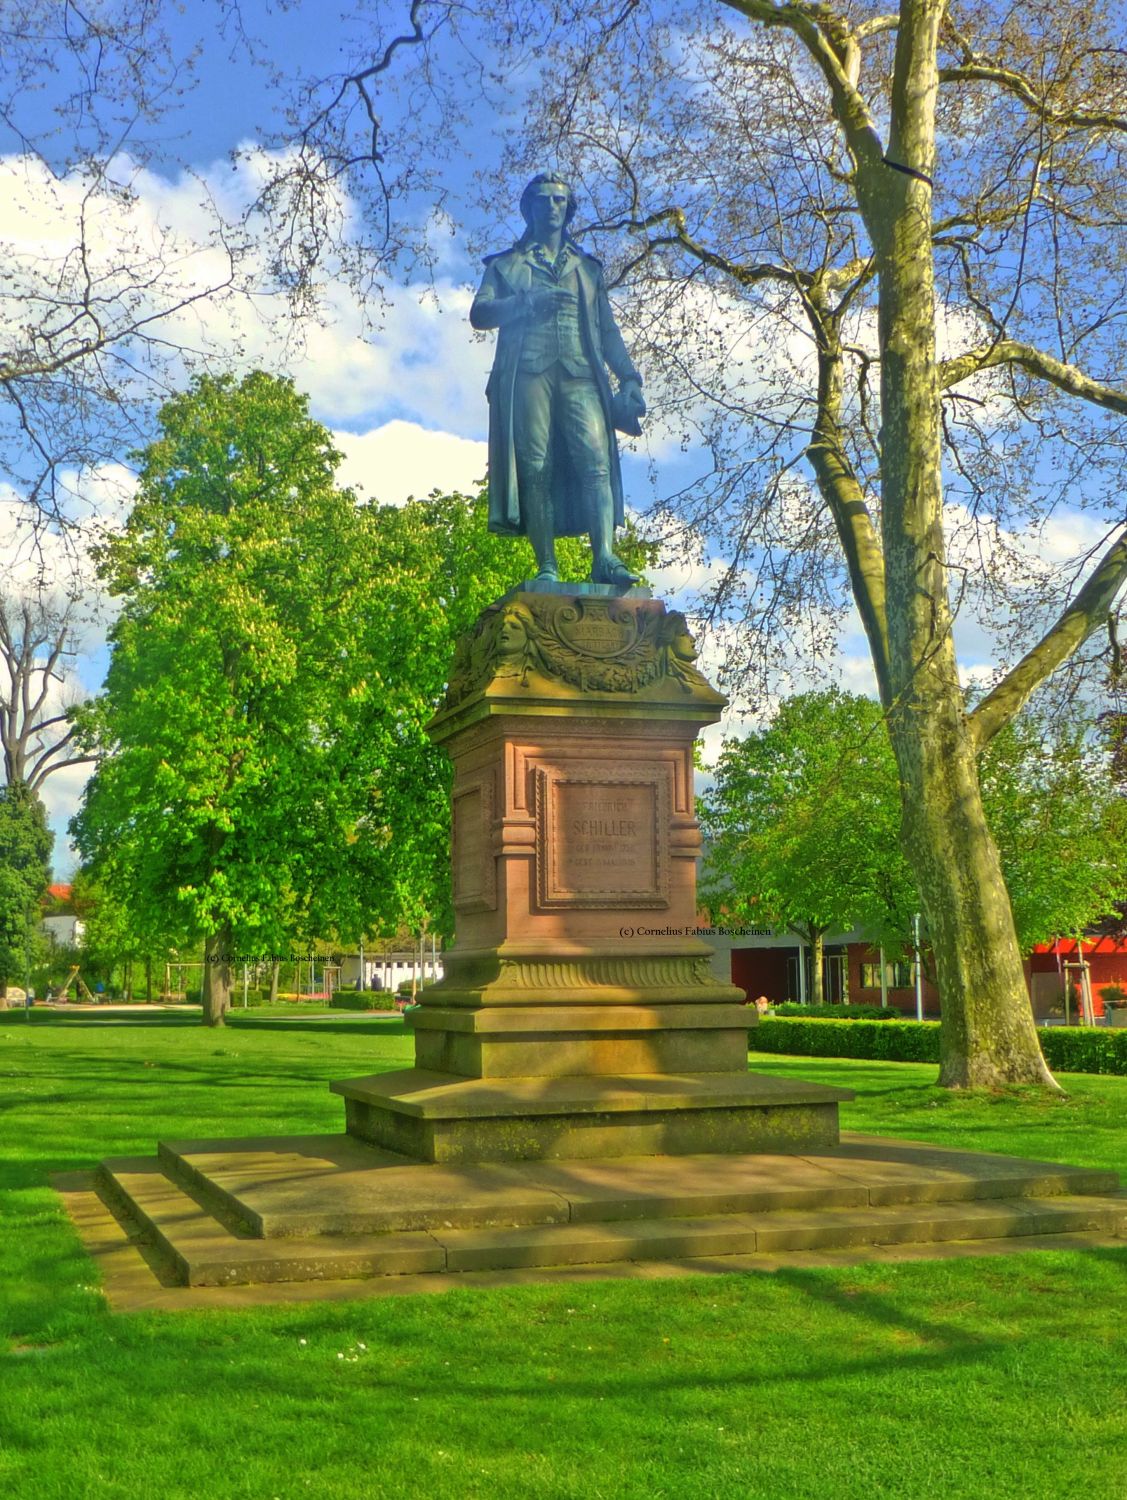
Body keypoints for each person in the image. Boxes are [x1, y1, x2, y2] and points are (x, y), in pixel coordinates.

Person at [470, 172, 646, 587]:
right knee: (535, 466)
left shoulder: (587, 268)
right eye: (545, 199)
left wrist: (629, 377)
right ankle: (547, 564)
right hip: (528, 374)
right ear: (528, 208)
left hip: (581, 373)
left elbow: (607, 331)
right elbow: (481, 314)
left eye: (560, 200)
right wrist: (527, 303)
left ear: (569, 209)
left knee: (595, 462)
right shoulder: (505, 265)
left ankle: (604, 556)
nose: (553, 206)